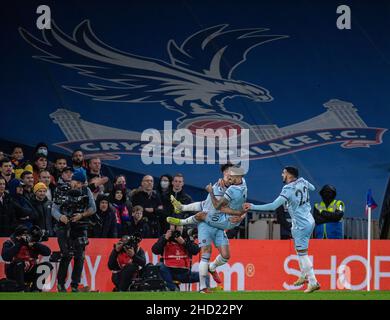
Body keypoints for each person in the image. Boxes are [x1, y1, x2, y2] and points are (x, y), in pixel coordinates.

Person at [167, 165, 248, 293]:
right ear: (224, 174)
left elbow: (241, 204)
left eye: (231, 173)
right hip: (206, 224)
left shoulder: (239, 186)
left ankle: (212, 267)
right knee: (206, 252)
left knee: (226, 255)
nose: (229, 175)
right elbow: (208, 207)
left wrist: (241, 216)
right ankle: (203, 287)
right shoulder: (218, 186)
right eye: (227, 172)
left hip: (219, 225)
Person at [244, 166, 320, 293]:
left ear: (289, 175)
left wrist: (252, 206)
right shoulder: (303, 181)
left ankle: (313, 281)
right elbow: (313, 188)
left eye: (284, 173)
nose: (282, 175)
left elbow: (273, 206)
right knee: (300, 250)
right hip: (309, 221)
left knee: (303, 254)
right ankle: (303, 275)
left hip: (301, 224)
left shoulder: (288, 188)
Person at [51, 170, 96, 292]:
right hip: (63, 227)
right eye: (76, 182)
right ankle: (60, 284)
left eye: (81, 183)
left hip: (80, 226)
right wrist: (61, 217)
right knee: (66, 255)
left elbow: (93, 208)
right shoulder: (61, 189)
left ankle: (75, 285)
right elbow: (54, 209)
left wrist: (81, 215)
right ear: (71, 180)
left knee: (80, 257)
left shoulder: (87, 191)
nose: (78, 185)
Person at [1, 225, 52, 291]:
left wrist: (34, 244)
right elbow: (5, 257)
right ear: (18, 236)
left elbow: (47, 252)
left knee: (46, 266)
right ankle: (21, 289)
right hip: (14, 273)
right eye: (23, 235)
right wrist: (20, 244)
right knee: (20, 263)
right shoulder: (10, 243)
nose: (26, 237)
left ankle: (35, 290)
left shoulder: (31, 242)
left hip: (29, 272)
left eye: (27, 235)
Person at [152, 224, 201, 291]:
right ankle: (173, 288)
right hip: (169, 271)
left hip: (184, 273)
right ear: (170, 227)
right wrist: (165, 239)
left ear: (182, 228)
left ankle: (205, 291)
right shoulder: (165, 237)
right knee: (160, 265)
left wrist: (184, 242)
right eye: (174, 226)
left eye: (179, 226)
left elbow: (195, 250)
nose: (176, 229)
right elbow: (155, 250)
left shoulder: (186, 237)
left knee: (204, 275)